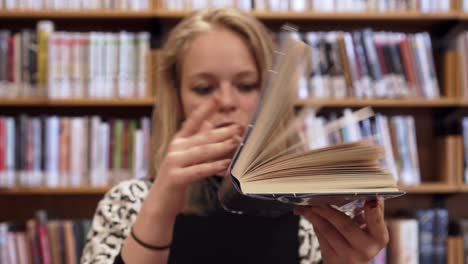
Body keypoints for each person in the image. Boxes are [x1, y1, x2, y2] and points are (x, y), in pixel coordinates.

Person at [81, 7, 389, 264]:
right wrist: (159, 208)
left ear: (271, 96)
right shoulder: (127, 203)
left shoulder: (307, 214)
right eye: (204, 88)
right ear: (177, 99)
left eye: (246, 85)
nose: (226, 102)